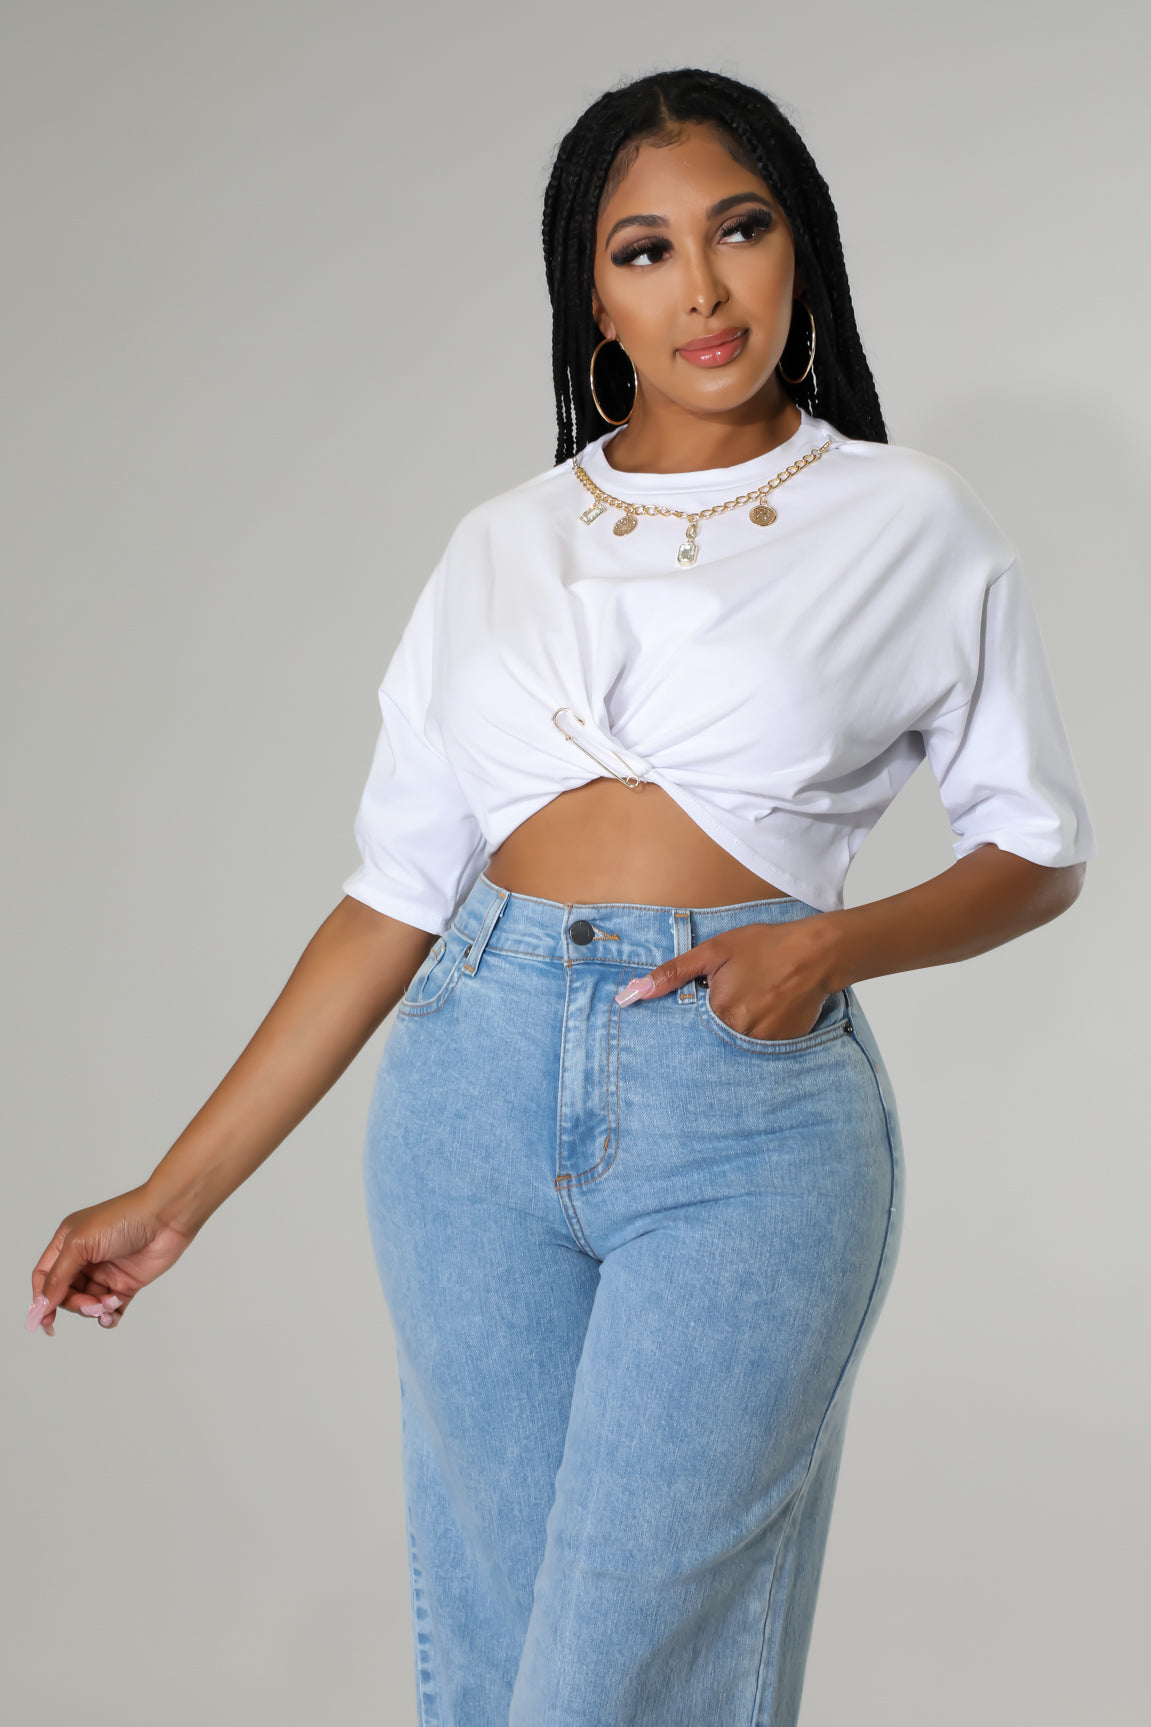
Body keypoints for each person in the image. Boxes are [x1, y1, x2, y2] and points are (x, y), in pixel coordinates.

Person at [27, 67, 1094, 1727]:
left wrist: (831, 946)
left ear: (798, 247)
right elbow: (393, 898)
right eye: (645, 251)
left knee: (631, 1675)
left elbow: (1037, 847)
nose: (703, 289)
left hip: (743, 1113)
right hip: (470, 1093)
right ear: (593, 299)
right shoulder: (502, 544)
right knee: (502, 1660)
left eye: (740, 230)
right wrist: (175, 1199)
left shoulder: (908, 519)